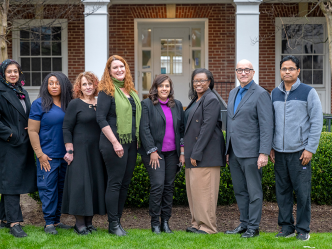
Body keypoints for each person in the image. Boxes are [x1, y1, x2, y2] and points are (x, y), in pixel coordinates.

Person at [270, 55, 322, 241]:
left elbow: (317, 122)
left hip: (300, 152)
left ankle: (302, 229)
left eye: (291, 69)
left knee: (302, 193)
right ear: (280, 71)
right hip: (280, 153)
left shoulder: (308, 92)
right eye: (284, 68)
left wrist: (310, 149)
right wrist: (271, 147)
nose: (287, 72)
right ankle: (286, 227)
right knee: (282, 192)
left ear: (298, 71)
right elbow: (271, 123)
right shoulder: (274, 93)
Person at [225, 59, 273, 238]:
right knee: (240, 190)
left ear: (253, 72)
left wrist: (264, 152)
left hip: (253, 153)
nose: (243, 73)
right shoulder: (233, 93)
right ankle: (244, 224)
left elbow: (267, 126)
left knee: (254, 191)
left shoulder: (260, 94)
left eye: (247, 70)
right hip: (234, 152)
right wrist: (228, 150)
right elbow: (231, 122)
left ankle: (253, 227)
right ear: (236, 72)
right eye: (239, 70)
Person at [96, 55, 142, 236]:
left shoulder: (130, 91)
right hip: (113, 143)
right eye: (114, 67)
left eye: (121, 66)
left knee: (125, 183)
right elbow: (100, 118)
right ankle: (113, 224)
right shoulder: (106, 91)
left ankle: (117, 221)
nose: (119, 70)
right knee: (115, 183)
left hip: (130, 143)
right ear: (109, 71)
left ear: (126, 69)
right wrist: (115, 142)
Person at [61, 72, 107, 235]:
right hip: (80, 150)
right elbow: (66, 128)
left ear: (96, 85)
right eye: (84, 84)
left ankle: (89, 222)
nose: (88, 87)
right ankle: (79, 223)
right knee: (81, 185)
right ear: (79, 87)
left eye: (90, 83)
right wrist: (70, 149)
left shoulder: (100, 103)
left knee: (94, 183)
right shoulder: (75, 104)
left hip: (97, 150)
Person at [139, 74, 185, 234]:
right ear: (155, 88)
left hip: (173, 153)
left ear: (170, 88)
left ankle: (165, 222)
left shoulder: (177, 105)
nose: (164, 89)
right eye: (161, 86)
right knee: (158, 185)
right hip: (155, 153)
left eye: (167, 86)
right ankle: (154, 223)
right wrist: (152, 150)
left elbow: (181, 130)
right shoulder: (146, 104)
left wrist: (182, 152)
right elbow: (144, 129)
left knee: (168, 187)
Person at [28, 72, 72, 235]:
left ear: (64, 85)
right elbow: (32, 130)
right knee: (48, 188)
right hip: (48, 155)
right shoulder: (39, 104)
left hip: (67, 156)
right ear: (46, 86)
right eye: (50, 83)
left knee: (61, 189)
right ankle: (48, 223)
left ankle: (57, 220)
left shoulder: (69, 104)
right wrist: (40, 154)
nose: (54, 86)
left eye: (57, 83)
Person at [184, 68, 226, 234]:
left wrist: (196, 152)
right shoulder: (197, 99)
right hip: (193, 153)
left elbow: (207, 128)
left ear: (209, 82)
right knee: (195, 191)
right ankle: (196, 223)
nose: (198, 83)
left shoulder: (211, 99)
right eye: (195, 80)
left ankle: (208, 227)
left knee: (205, 191)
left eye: (202, 80)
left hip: (205, 154)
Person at [0, 59, 37, 238]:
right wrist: (10, 134)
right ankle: (15, 223)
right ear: (3, 74)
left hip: (23, 143)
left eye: (15, 71)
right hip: (8, 144)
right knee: (11, 182)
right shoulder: (0, 91)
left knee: (11, 180)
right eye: (9, 72)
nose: (13, 74)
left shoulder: (22, 91)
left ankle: (3, 219)